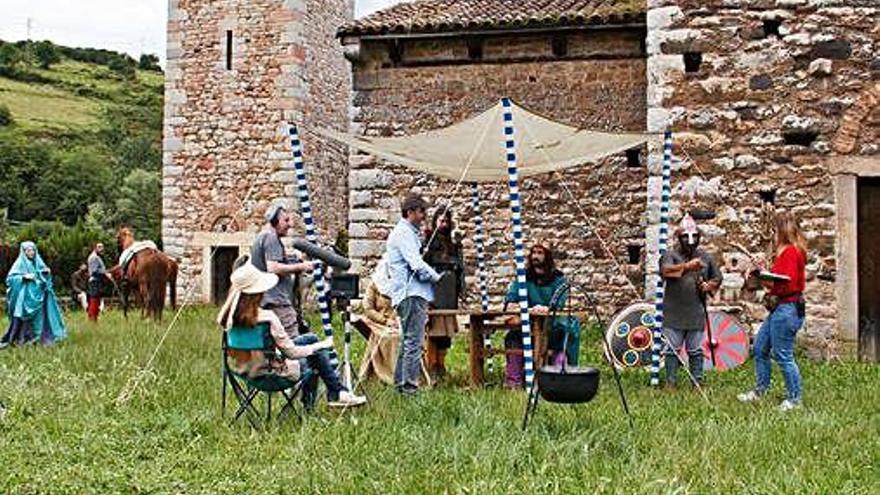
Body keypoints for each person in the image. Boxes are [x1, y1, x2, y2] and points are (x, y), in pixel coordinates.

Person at [217, 262, 365, 408]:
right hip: (272, 374)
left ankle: (336, 392)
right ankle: (325, 399)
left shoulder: (227, 318)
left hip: (244, 371)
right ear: (257, 293)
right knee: (316, 357)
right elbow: (292, 353)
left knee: (310, 338)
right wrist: (320, 346)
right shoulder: (267, 319)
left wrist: (312, 344)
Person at [738, 212, 807, 411]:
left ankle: (794, 399)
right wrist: (762, 270)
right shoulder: (785, 252)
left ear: (782, 230)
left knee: (783, 355)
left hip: (787, 307)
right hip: (780, 308)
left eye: (776, 229)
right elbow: (776, 281)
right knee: (760, 348)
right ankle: (761, 389)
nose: (774, 233)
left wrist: (761, 274)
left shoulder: (791, 252)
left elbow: (784, 283)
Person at [504, 240, 580, 388]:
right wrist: (522, 307)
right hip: (528, 324)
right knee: (513, 336)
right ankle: (515, 381)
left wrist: (546, 308)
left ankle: (558, 378)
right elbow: (511, 300)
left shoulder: (558, 279)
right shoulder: (523, 278)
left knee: (564, 334)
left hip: (552, 325)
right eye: (533, 253)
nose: (535, 256)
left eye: (540, 253)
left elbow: (559, 303)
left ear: (547, 256)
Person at [386, 194, 442, 396]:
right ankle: (409, 388)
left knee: (408, 340)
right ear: (410, 212)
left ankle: (401, 385)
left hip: (407, 293)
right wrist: (437, 278)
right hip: (411, 293)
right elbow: (416, 265)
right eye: (421, 212)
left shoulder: (407, 233)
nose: (424, 216)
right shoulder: (403, 233)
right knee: (414, 342)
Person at [659, 214, 722, 389]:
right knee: (671, 349)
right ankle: (671, 382)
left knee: (695, 350)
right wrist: (687, 267)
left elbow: (717, 278)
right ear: (679, 237)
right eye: (686, 237)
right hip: (674, 310)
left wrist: (708, 286)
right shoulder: (670, 255)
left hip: (695, 310)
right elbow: (665, 272)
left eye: (694, 236)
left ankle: (697, 381)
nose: (691, 240)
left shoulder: (706, 257)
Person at [251, 203, 316, 339]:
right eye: (285, 220)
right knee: (292, 341)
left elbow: (273, 259)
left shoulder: (263, 236)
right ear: (275, 221)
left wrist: (292, 257)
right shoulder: (271, 237)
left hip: (265, 301)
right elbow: (273, 267)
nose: (290, 224)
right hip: (277, 302)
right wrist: (302, 267)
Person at [422, 208, 465, 381]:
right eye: (440, 221)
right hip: (435, 292)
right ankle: (432, 367)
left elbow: (460, 268)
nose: (443, 224)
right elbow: (424, 265)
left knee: (446, 334)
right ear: (435, 221)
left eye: (446, 221)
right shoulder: (429, 242)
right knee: (434, 332)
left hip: (449, 293)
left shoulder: (452, 243)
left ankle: (441, 366)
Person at [1, 241, 66, 347]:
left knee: (39, 319)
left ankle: (39, 338)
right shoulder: (19, 264)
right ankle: (24, 339)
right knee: (24, 319)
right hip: (25, 298)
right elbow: (10, 279)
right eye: (28, 250)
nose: (31, 253)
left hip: (39, 296)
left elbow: (43, 277)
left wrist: (46, 273)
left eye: (33, 250)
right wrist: (23, 277)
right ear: (23, 252)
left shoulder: (38, 262)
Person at [87, 242, 112, 322]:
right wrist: (106, 273)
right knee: (94, 300)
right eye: (99, 247)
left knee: (96, 300)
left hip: (96, 281)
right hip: (95, 281)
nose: (102, 249)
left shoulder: (96, 257)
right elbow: (94, 271)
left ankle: (94, 318)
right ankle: (92, 319)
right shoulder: (94, 258)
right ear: (95, 248)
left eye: (102, 247)